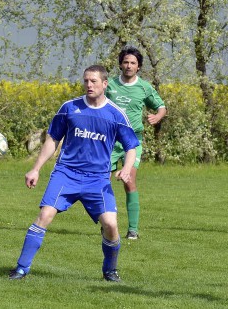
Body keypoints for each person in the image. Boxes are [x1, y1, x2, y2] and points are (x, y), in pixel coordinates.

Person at [8, 65, 139, 282]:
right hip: (66, 174)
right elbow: (52, 139)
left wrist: (126, 168)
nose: (89, 85)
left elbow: (131, 147)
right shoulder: (69, 108)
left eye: (94, 81)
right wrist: (36, 168)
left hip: (97, 178)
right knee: (44, 216)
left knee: (111, 225)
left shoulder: (115, 114)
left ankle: (110, 270)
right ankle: (21, 269)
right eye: (86, 80)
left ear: (105, 84)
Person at [106, 46, 167, 240]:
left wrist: (157, 117)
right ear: (120, 64)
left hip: (133, 140)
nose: (129, 65)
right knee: (101, 182)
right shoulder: (110, 85)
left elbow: (161, 107)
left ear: (139, 66)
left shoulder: (144, 87)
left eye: (133, 63)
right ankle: (107, 223)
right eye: (126, 62)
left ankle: (133, 229)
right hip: (109, 139)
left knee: (129, 180)